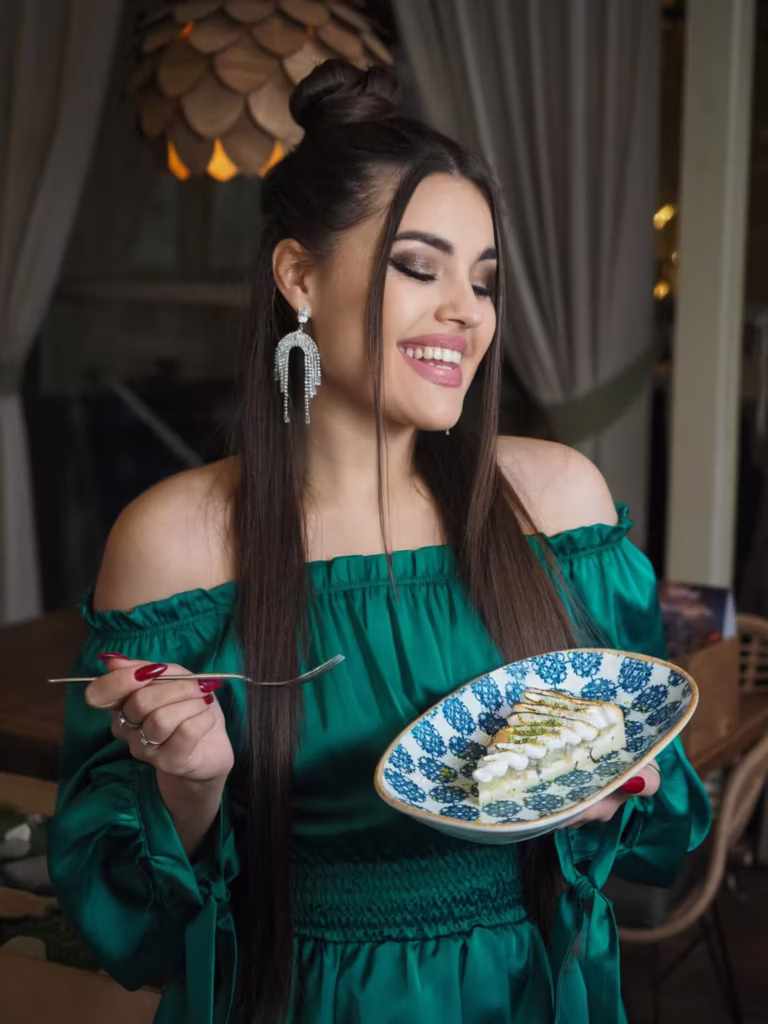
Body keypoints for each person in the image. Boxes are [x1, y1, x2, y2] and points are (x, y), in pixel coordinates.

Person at [48, 60, 710, 1024]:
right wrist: (189, 789)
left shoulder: (558, 507)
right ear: (299, 277)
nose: (466, 310)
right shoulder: (176, 544)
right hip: (293, 996)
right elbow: (127, 924)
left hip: (530, 987)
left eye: (483, 280)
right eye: (417, 266)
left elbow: (665, 815)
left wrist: (617, 788)